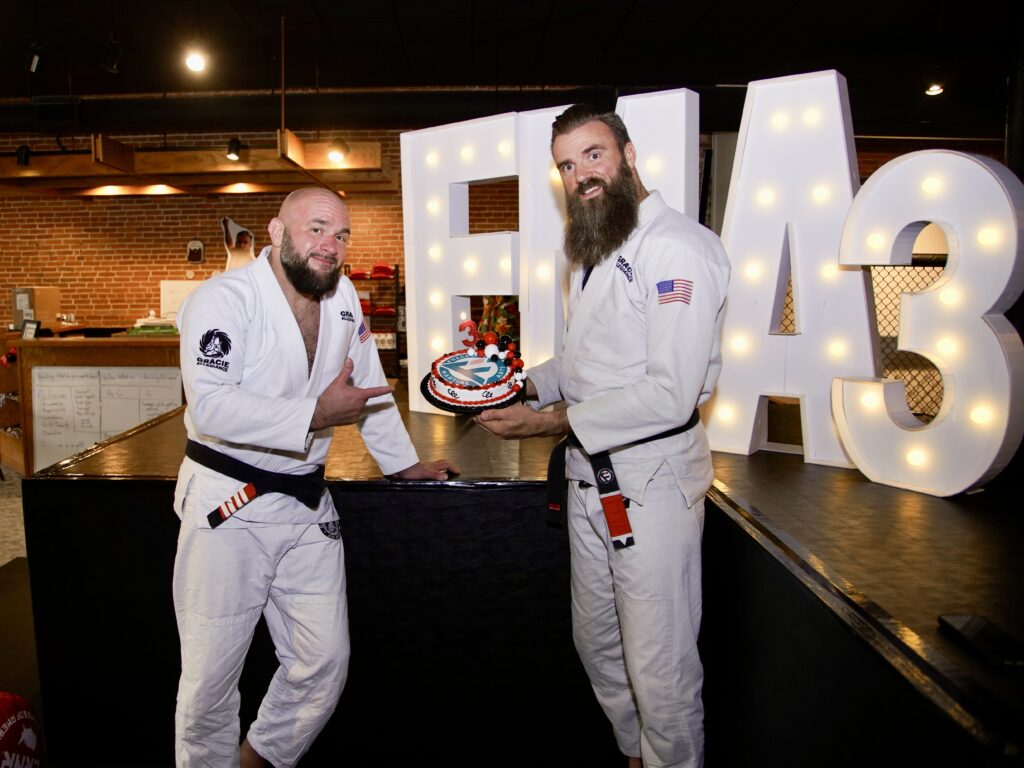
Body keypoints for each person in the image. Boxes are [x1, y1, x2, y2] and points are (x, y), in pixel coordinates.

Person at [475, 105, 729, 768]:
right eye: (566, 165)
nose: (580, 174)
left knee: (659, 669)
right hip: (590, 480)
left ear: (628, 153)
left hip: (651, 486)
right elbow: (585, 363)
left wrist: (547, 422)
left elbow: (671, 393)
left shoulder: (677, 248)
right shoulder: (595, 247)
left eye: (593, 155)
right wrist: (513, 385)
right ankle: (636, 756)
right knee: (599, 649)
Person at [174, 188, 458, 767]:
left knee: (323, 662)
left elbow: (368, 386)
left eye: (342, 234)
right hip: (229, 505)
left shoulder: (344, 297)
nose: (331, 245)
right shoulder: (223, 300)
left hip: (305, 502)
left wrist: (404, 466)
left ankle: (254, 760)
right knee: (210, 684)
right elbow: (211, 406)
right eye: (317, 229)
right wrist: (315, 414)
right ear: (277, 232)